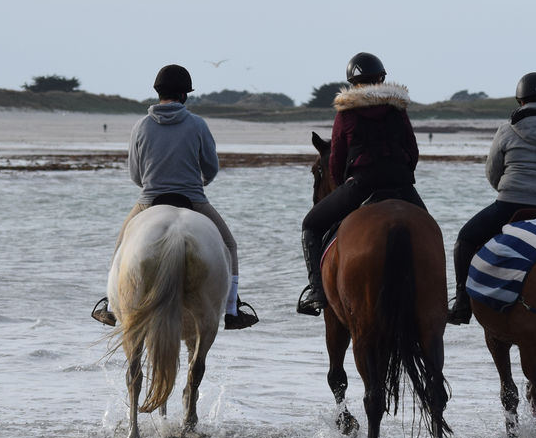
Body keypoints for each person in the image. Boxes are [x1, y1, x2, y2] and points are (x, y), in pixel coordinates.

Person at [92, 64, 258, 330]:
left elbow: (135, 175)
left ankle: (111, 307)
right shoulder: (198, 124)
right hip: (193, 200)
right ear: (184, 95)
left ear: (159, 93)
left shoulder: (141, 126)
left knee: (122, 243)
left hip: (149, 201)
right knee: (229, 245)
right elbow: (211, 168)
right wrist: (196, 184)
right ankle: (231, 309)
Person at [448, 71, 536, 325]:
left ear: (520, 100)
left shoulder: (506, 130)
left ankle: (462, 303)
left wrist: (507, 190)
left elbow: (492, 172)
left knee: (466, 239)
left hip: (509, 205)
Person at [297, 52, 424, 316]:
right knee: (428, 230)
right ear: (381, 79)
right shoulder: (397, 109)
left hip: (362, 184)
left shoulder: (346, 113)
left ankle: (317, 292)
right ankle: (435, 295)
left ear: (353, 83)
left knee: (310, 225)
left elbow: (336, 162)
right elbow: (412, 151)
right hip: (401, 183)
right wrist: (402, 174)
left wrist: (346, 185)